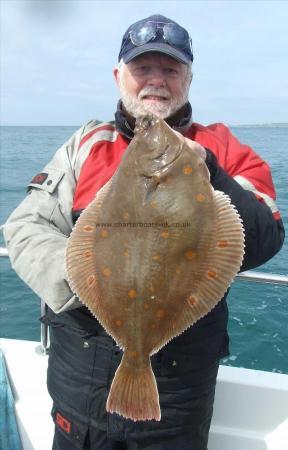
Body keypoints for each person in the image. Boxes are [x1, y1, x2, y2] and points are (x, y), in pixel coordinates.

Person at [3, 14, 285, 450]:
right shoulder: (86, 144)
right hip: (78, 389)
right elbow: (24, 227)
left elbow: (266, 238)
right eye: (142, 69)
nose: (156, 81)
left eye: (170, 70)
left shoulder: (224, 149)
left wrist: (209, 171)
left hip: (177, 397)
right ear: (120, 77)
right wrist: (85, 281)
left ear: (189, 79)